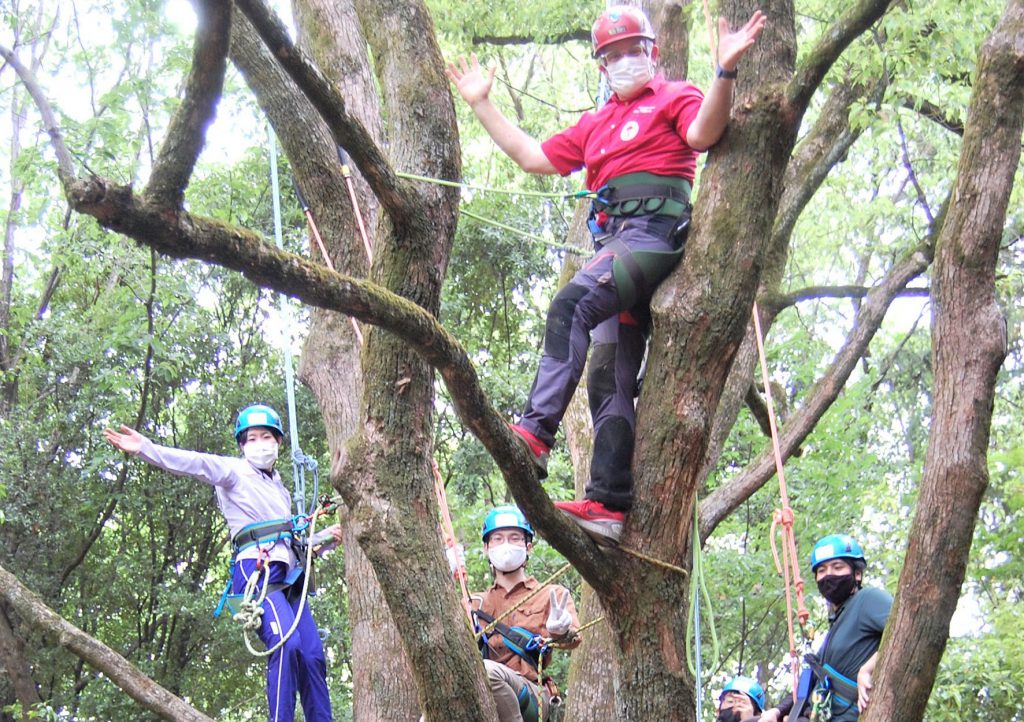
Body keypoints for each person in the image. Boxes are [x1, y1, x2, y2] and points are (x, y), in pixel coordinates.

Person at [447, 6, 766, 543]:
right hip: (614, 243)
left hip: (651, 238)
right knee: (607, 371)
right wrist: (482, 105)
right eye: (611, 56)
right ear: (600, 66)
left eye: (631, 52)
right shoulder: (595, 126)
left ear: (652, 53)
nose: (623, 62)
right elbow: (531, 156)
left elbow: (705, 133)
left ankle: (534, 433)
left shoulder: (674, 96)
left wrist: (725, 72)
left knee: (571, 304)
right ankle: (609, 504)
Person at [104, 404, 341, 722]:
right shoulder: (233, 472)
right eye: (252, 438)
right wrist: (146, 448)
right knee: (287, 644)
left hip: (290, 577)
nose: (260, 443)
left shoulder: (280, 490)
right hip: (258, 571)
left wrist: (324, 536)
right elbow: (195, 463)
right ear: (243, 445)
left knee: (312, 656)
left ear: (278, 442)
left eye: (266, 436)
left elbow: (294, 543)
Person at [472, 505, 580, 722]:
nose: (506, 545)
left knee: (489, 671)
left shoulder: (551, 594)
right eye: (498, 539)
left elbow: (574, 638)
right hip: (482, 690)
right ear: (486, 548)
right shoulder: (475, 602)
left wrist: (561, 632)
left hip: (530, 693)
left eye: (514, 538)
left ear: (528, 547)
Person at [796, 534, 892, 721]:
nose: (828, 575)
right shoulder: (839, 619)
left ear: (857, 573)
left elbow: (902, 634)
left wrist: (868, 669)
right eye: (821, 571)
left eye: (837, 567)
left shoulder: (868, 599)